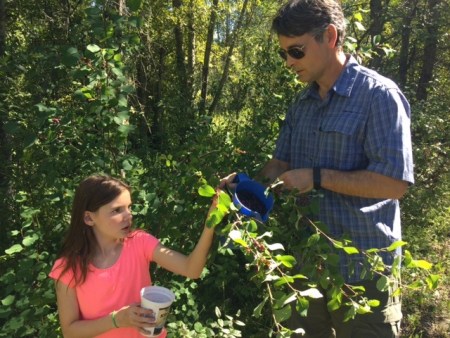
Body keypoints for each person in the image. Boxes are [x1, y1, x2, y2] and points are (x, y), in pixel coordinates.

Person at [223, 0, 414, 337]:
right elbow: (280, 164)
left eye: (296, 51)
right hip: (305, 272)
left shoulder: (379, 96)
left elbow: (394, 183)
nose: (289, 63)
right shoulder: (301, 105)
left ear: (329, 36)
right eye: (284, 54)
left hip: (363, 277)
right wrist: (245, 188)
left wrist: (315, 178)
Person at [49, 175, 219, 338]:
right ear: (88, 217)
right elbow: (70, 332)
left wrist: (212, 219)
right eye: (117, 210)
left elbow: (192, 269)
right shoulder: (68, 267)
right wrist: (117, 320)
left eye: (129, 207)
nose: (129, 215)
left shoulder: (140, 243)